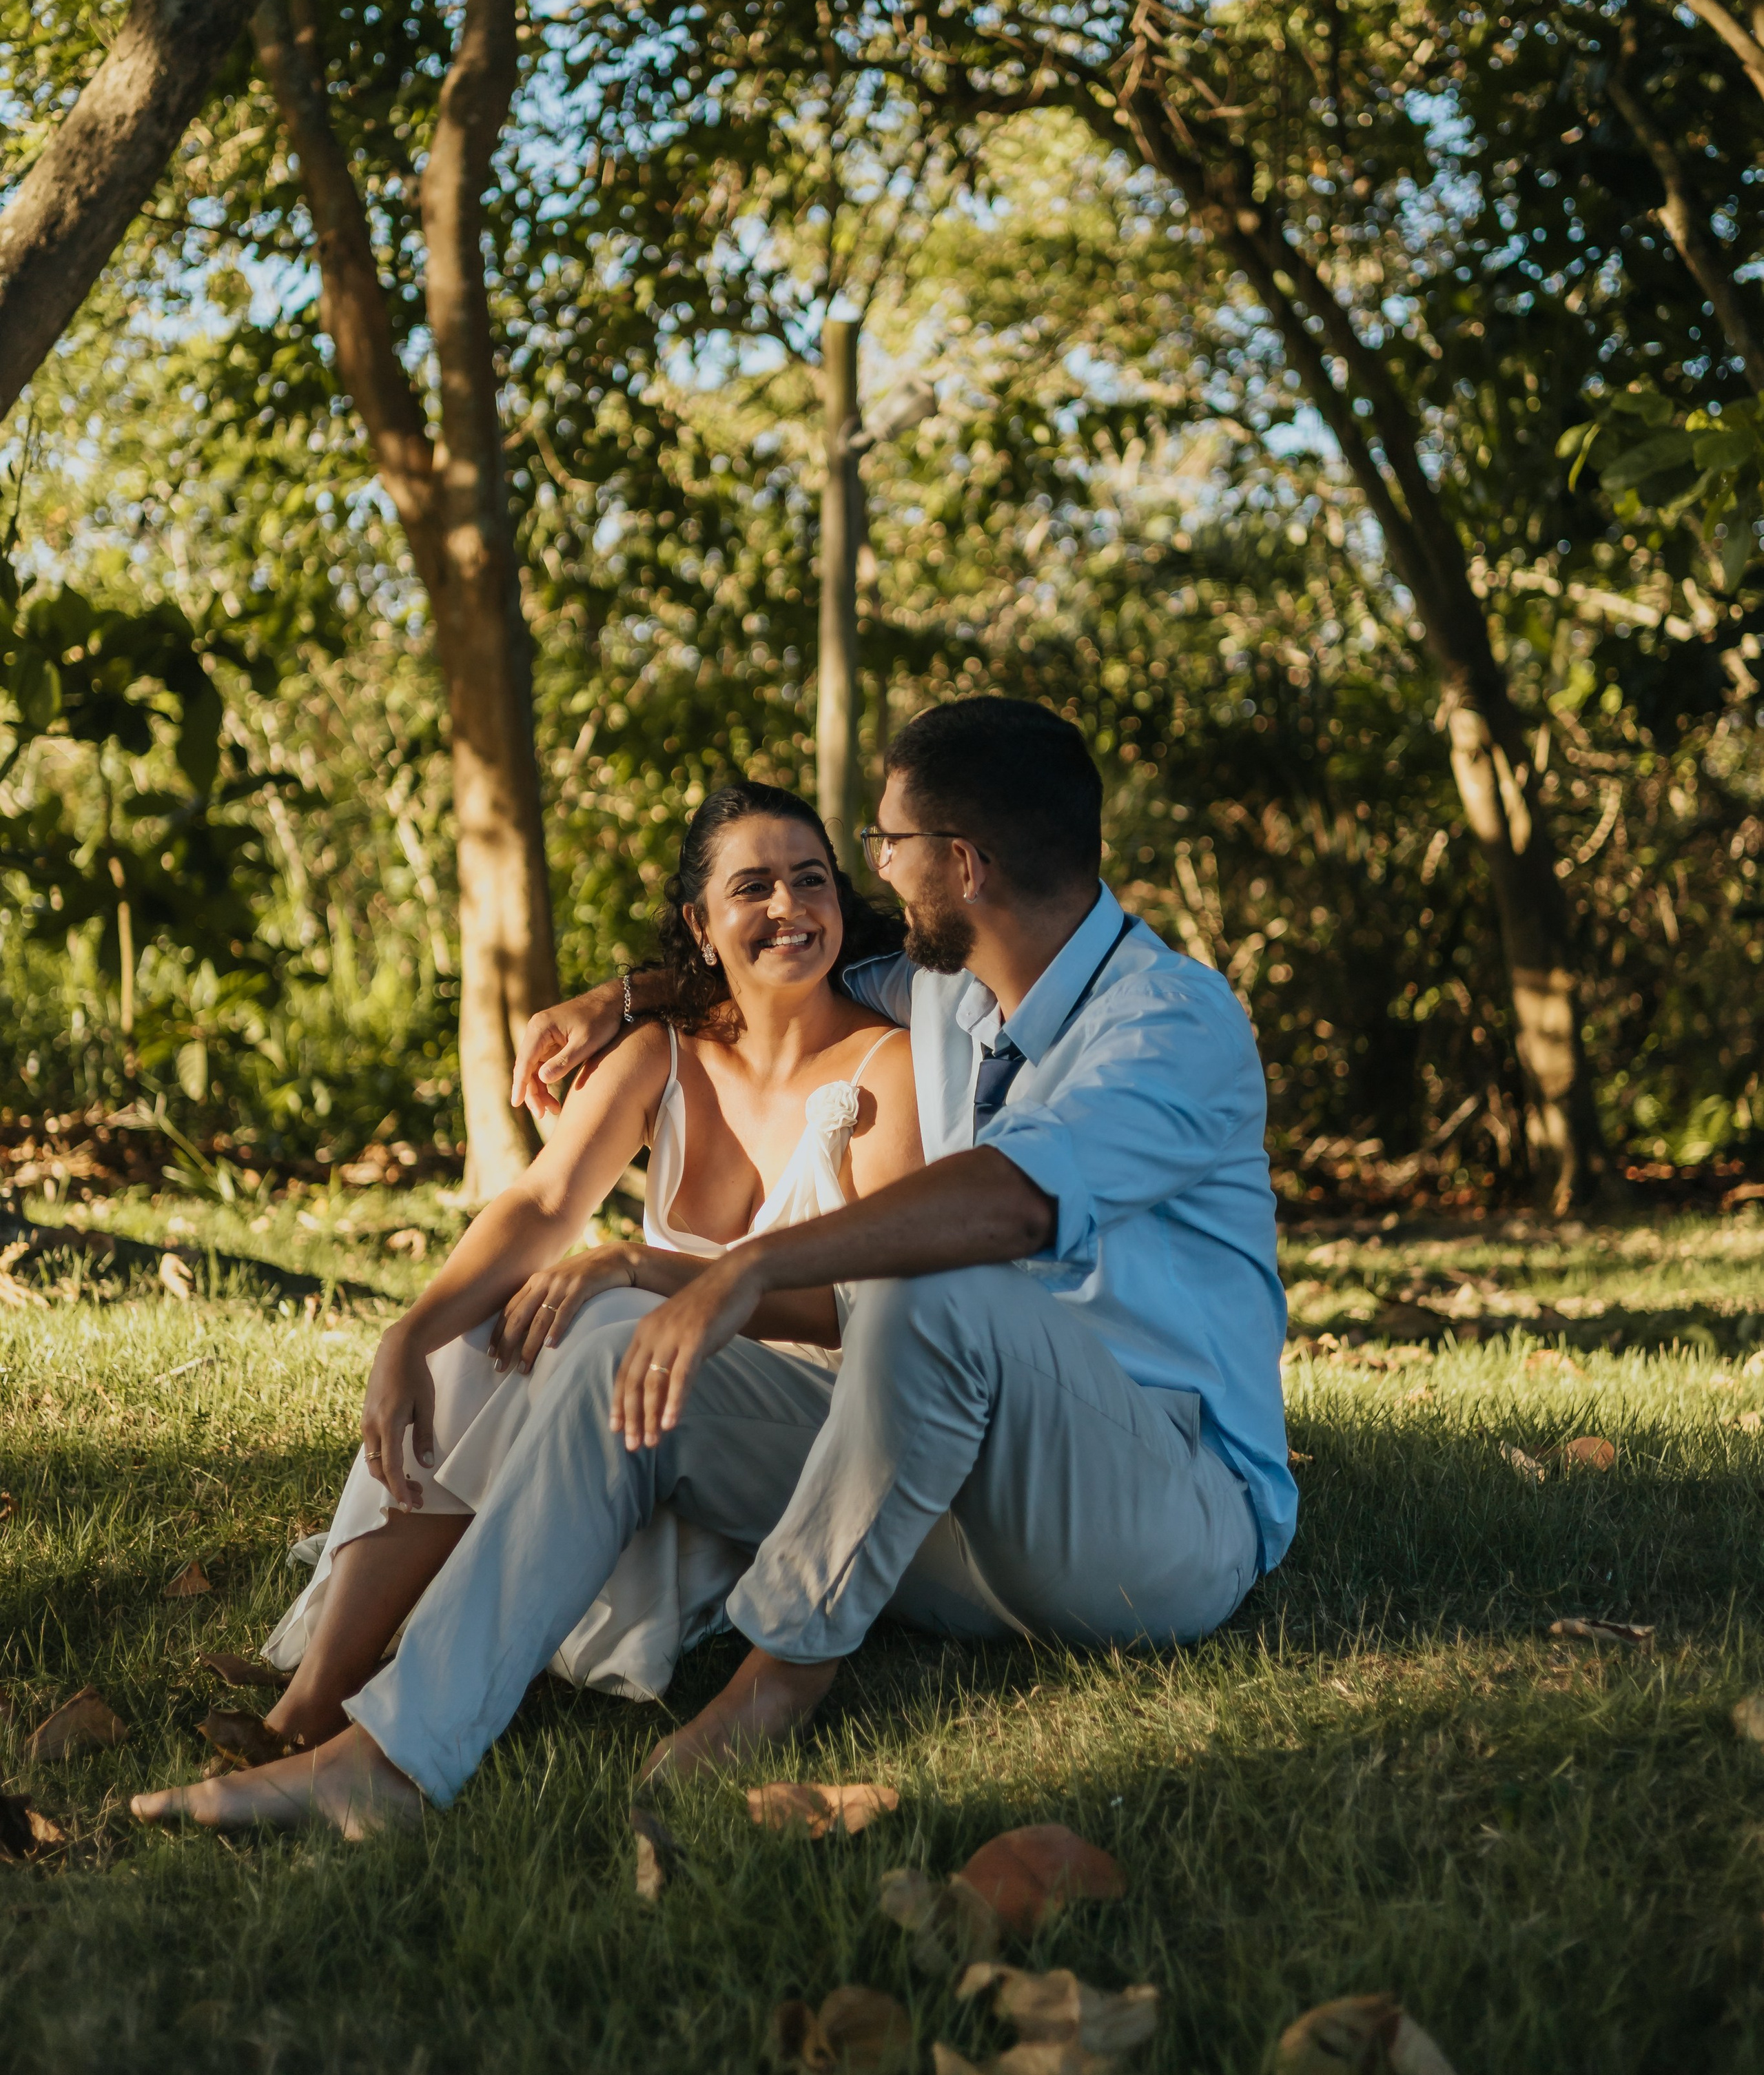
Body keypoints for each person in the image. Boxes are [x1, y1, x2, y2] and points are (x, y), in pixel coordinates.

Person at [137, 697, 1295, 1834]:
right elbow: (770, 977)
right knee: (614, 1357)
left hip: (1154, 1518)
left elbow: (1006, 1204)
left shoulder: (1169, 1022)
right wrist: (620, 998)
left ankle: (775, 1682)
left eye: (887, 843)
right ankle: (392, 1757)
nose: (874, 873)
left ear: (963, 863)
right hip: (944, 1505)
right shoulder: (953, 989)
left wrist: (738, 1269)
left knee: (933, 1274)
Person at [132, 779, 920, 1832]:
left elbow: (870, 1317)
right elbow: (545, 1201)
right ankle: (313, 1706)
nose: (789, 906)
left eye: (811, 879)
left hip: (806, 1433)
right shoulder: (666, 1050)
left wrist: (642, 1265)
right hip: (635, 1414)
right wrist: (411, 1331)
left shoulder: (887, 1069)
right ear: (700, 924)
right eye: (754, 887)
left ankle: (381, 1745)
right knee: (494, 1319)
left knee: (599, 1316)